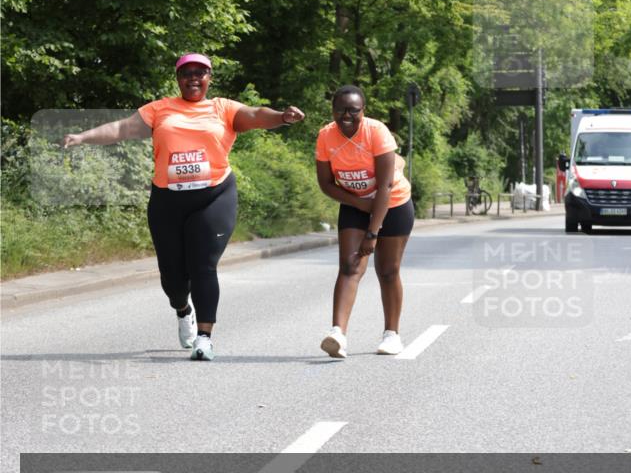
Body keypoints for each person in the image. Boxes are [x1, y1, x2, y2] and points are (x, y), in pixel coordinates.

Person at [63, 53, 304, 361]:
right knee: (173, 278)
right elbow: (121, 129)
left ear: (209, 78)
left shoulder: (223, 108)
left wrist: (282, 116)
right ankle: (183, 309)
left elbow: (257, 115)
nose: (193, 77)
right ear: (177, 79)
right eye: (186, 73)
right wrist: (82, 137)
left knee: (203, 266)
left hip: (214, 195)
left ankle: (204, 338)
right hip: (168, 200)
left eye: (200, 73)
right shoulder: (160, 109)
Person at [315, 85, 414, 358]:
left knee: (387, 270)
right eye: (340, 110)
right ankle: (337, 333)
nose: (346, 115)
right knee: (349, 266)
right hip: (355, 203)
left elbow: (385, 186)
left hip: (392, 203)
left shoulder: (377, 132)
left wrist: (373, 233)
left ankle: (392, 335)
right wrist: (359, 203)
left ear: (363, 111)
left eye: (353, 110)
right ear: (333, 110)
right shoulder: (326, 136)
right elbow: (325, 183)